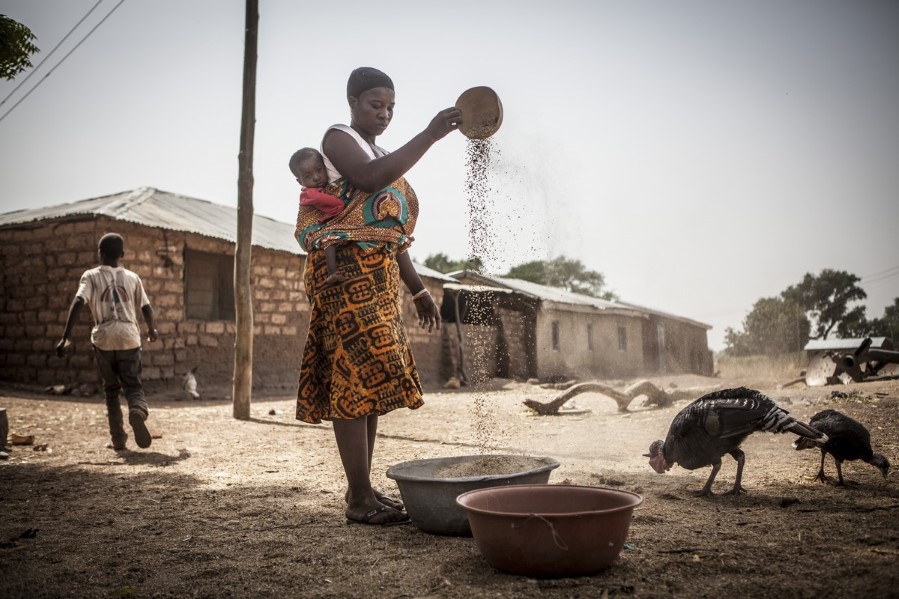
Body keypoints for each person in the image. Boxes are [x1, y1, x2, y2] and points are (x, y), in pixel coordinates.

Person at [295, 66, 462, 526]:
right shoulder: (338, 139)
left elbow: (388, 231)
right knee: (352, 378)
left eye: (391, 107)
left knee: (368, 380)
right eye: (376, 105)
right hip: (345, 276)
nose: (385, 114)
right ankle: (358, 498)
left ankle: (363, 490)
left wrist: (419, 289)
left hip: (380, 276)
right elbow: (369, 181)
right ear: (353, 103)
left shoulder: (382, 149)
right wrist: (428, 134)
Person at [56, 233, 158, 451]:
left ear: (99, 254)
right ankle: (137, 412)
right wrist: (151, 330)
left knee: (111, 390)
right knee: (133, 386)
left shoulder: (91, 276)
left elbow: (78, 301)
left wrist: (66, 336)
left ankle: (118, 439)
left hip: (103, 339)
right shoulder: (132, 277)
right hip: (129, 338)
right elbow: (146, 307)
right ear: (122, 255)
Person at [289, 147, 347, 287]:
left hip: (314, 227)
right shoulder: (310, 194)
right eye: (308, 176)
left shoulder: (318, 189)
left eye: (319, 170)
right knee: (329, 236)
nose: (316, 177)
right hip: (307, 231)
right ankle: (332, 272)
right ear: (300, 181)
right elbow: (337, 205)